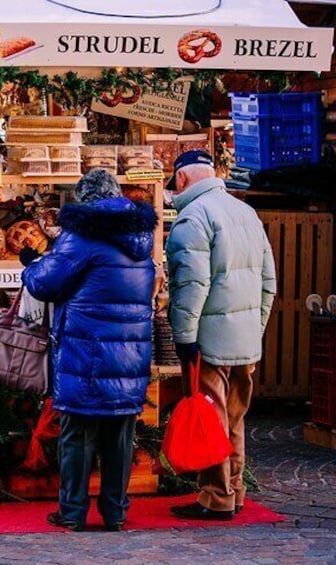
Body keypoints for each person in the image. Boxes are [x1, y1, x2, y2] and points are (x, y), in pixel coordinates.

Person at [21, 169, 158, 532]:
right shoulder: (141, 237)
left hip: (87, 351)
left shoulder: (82, 233)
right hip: (130, 355)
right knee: (119, 436)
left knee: (78, 434)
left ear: (85, 200)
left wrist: (29, 266)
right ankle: (115, 513)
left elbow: (46, 283)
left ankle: (73, 512)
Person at [165, 150, 276, 521]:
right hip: (245, 339)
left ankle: (216, 497)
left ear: (181, 179)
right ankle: (236, 489)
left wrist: (184, 337)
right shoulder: (245, 212)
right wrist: (255, 329)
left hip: (209, 339)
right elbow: (268, 283)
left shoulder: (193, 218)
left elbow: (190, 286)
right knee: (234, 418)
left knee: (209, 417)